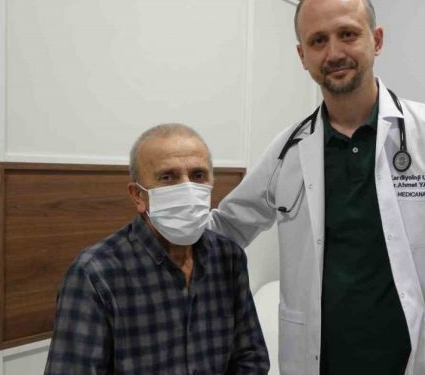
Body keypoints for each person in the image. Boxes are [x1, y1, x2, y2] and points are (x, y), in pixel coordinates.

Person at [209, 0, 425, 375]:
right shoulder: (288, 150)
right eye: (318, 41)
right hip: (320, 361)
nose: (334, 52)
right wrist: (161, 231)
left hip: (411, 355)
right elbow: (227, 227)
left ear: (376, 40)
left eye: (348, 34)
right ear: (302, 56)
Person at [44, 123, 269, 375]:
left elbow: (251, 359)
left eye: (198, 175)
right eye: (167, 177)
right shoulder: (95, 275)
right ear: (138, 196)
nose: (187, 189)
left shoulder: (228, 258)